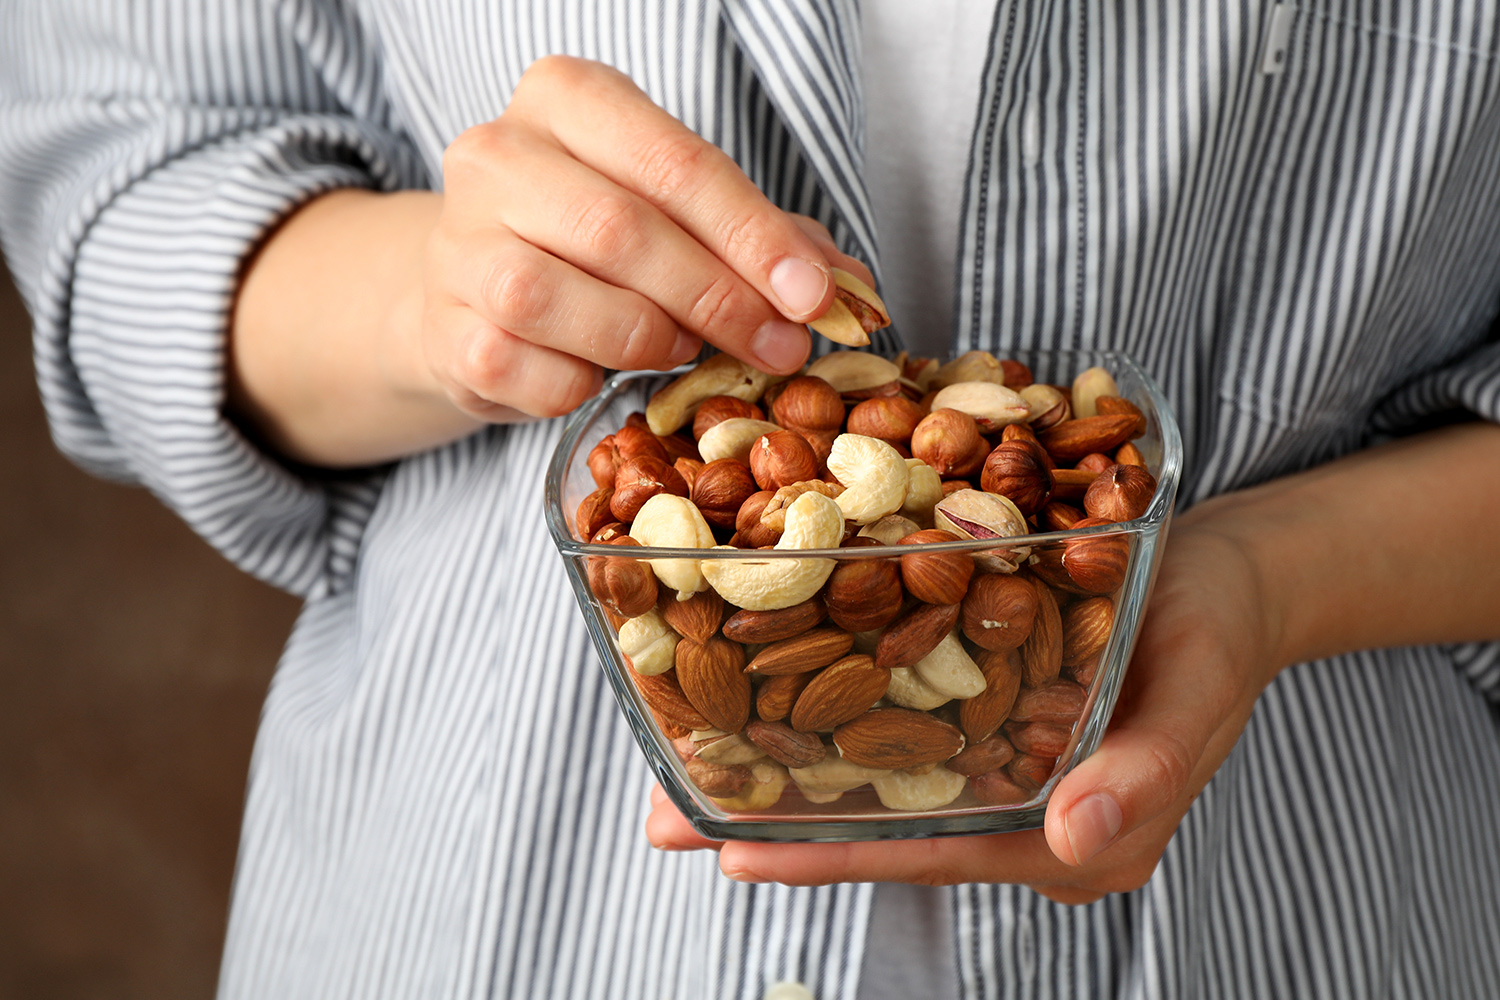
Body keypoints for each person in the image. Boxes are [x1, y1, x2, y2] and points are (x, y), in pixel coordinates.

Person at [3, 2, 1499, 998]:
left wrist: (1273, 577)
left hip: (1303, 907)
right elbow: (121, 166)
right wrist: (439, 297)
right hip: (485, 900)